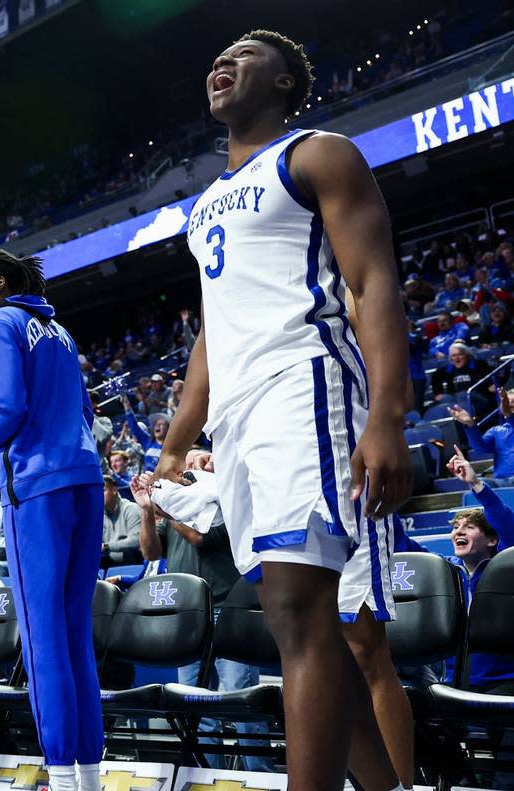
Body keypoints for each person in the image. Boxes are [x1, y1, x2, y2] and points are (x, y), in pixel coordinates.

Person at [162, 30, 412, 790]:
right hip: (239, 417)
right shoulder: (205, 206)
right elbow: (212, 328)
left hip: (304, 384)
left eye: (244, 53)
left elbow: (372, 282)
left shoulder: (318, 153)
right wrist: (176, 439)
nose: (222, 61)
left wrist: (388, 416)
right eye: (218, 54)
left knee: (304, 615)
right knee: (296, 622)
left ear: (284, 81)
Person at [0, 248, 104, 791]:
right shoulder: (57, 331)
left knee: (43, 640)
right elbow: (86, 411)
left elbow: (7, 407)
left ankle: (61, 778)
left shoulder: (1, 321)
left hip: (38, 488)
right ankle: (87, 777)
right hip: (85, 479)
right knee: (73, 635)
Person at [131, 464, 271, 773]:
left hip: (229, 612)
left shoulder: (224, 500)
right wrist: (146, 511)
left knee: (242, 703)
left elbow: (200, 538)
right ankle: (208, 777)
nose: (185, 472)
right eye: (184, 468)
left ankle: (261, 777)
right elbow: (151, 553)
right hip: (189, 618)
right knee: (196, 707)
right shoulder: (176, 505)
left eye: (193, 466)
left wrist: (167, 509)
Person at [395, 446, 514, 693]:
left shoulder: (503, 570)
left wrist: (476, 484)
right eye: (456, 527)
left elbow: (507, 527)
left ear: (491, 540)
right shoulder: (444, 570)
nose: (458, 532)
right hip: (448, 682)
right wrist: (385, 504)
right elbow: (400, 542)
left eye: (469, 527)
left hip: (498, 680)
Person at [451, 388, 514, 488]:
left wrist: (507, 410)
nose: (509, 404)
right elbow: (480, 448)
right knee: (478, 483)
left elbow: (509, 416)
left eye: (512, 402)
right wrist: (470, 424)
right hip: (501, 482)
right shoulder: (496, 431)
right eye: (506, 401)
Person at [101, 475, 142, 566]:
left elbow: (136, 541)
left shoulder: (131, 509)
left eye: (103, 490)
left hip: (131, 561)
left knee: (130, 553)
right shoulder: (100, 515)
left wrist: (107, 547)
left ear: (114, 490)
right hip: (109, 561)